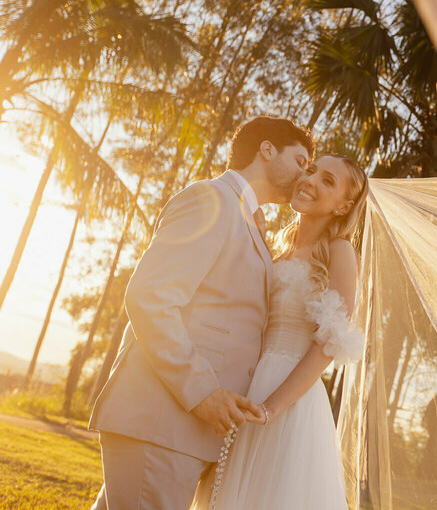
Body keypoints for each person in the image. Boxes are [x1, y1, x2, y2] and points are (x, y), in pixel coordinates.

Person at [88, 116, 315, 510]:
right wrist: (203, 392)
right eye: (300, 161)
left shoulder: (248, 218)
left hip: (181, 430)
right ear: (266, 149)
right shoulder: (211, 199)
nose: (304, 175)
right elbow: (151, 298)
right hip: (161, 418)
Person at [191, 153, 368, 510]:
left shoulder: (340, 252)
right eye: (312, 170)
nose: (310, 180)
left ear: (344, 206)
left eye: (327, 181)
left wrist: (270, 409)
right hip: (244, 386)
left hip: (289, 401)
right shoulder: (280, 248)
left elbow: (328, 345)